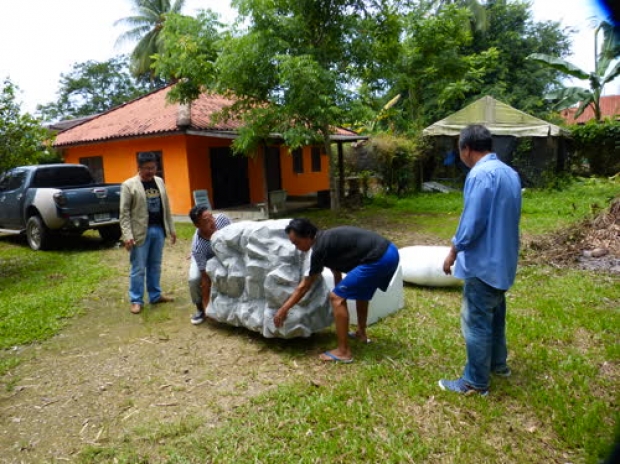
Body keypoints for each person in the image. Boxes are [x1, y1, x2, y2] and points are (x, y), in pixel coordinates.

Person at [439, 124, 522, 396]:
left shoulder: (480, 174)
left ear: (466, 149)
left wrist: (453, 251)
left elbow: (471, 223)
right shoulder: (510, 173)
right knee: (496, 316)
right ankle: (498, 365)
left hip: (483, 264)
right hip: (504, 261)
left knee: (476, 323)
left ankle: (475, 381)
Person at [274, 218, 400, 363]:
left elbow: (304, 286)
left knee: (335, 297)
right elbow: (336, 272)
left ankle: (343, 352)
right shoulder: (326, 240)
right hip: (390, 252)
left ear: (308, 235)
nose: (297, 247)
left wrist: (283, 310)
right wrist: (341, 295)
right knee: (360, 293)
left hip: (379, 257)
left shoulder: (319, 248)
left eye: (297, 243)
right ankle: (361, 333)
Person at [120, 152, 177, 314]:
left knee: (155, 265)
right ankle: (136, 300)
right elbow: (124, 214)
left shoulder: (159, 181)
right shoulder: (128, 185)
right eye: (147, 168)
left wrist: (171, 229)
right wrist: (127, 236)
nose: (151, 171)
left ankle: (155, 295)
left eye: (153, 168)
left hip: (158, 230)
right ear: (139, 167)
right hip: (139, 233)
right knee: (138, 268)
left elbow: (166, 206)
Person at [188, 205, 231, 325]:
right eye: (206, 220)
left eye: (211, 216)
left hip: (222, 253)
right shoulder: (198, 247)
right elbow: (205, 278)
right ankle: (200, 309)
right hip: (205, 257)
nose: (212, 221)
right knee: (194, 279)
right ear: (197, 225)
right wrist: (207, 308)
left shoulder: (222, 220)